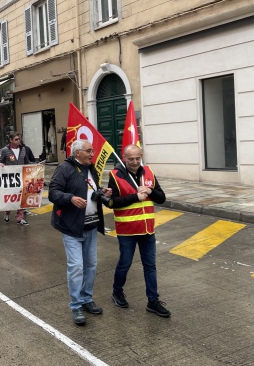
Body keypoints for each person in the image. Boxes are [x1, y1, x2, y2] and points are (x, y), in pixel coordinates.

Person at [49, 140, 111, 326]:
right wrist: (70, 199)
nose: (93, 153)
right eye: (89, 151)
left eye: (92, 150)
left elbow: (91, 192)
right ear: (77, 153)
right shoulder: (64, 168)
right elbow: (53, 192)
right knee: (76, 267)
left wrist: (101, 192)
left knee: (90, 265)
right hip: (72, 227)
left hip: (90, 226)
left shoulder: (90, 168)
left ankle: (86, 300)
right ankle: (76, 306)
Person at [108, 144, 170, 317]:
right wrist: (135, 196)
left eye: (137, 158)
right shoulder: (115, 175)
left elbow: (162, 198)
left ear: (141, 156)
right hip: (127, 231)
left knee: (150, 266)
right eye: (131, 159)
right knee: (125, 264)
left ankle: (153, 301)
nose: (135, 162)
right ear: (124, 158)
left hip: (147, 230)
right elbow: (112, 202)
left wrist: (150, 191)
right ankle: (117, 292)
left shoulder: (148, 173)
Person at [0, 132, 31, 225]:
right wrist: (0, 164)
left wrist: (36, 165)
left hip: (21, 178)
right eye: (16, 139)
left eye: (19, 139)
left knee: (21, 198)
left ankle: (20, 218)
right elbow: (1, 161)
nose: (18, 141)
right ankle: (7, 213)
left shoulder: (23, 149)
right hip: (10, 179)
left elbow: (27, 162)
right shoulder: (5, 150)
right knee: (11, 198)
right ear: (11, 140)